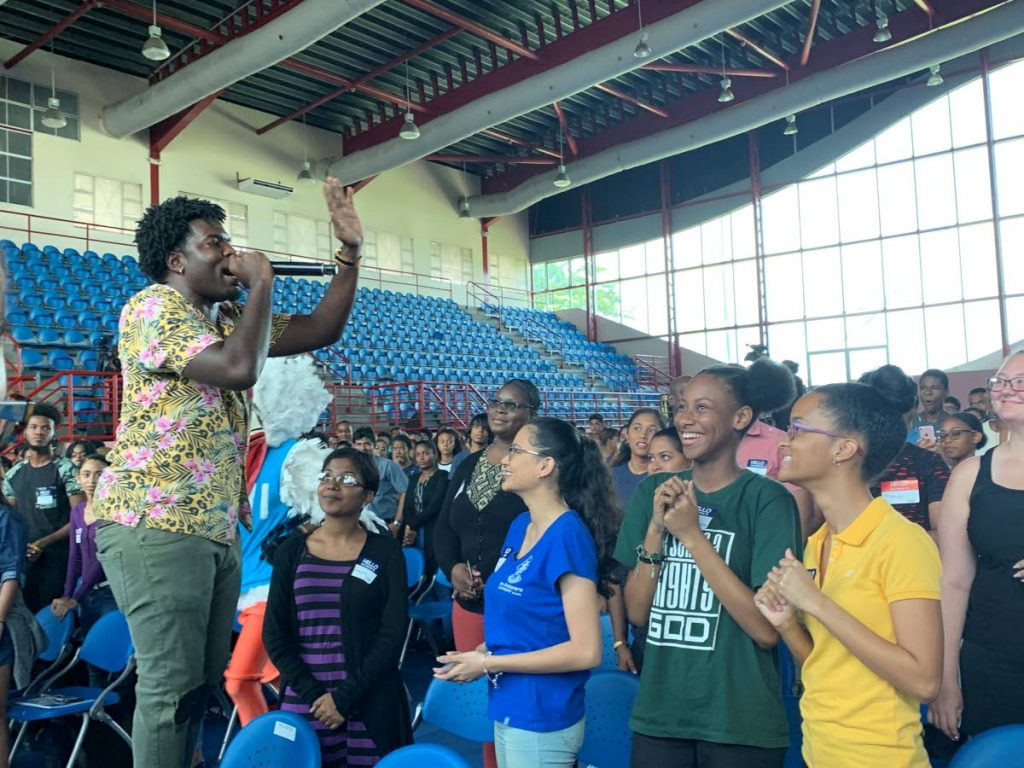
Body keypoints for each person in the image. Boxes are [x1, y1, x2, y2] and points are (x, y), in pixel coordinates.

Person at [93, 180, 362, 768]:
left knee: (199, 684)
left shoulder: (228, 317)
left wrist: (349, 254)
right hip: (155, 518)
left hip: (210, 524)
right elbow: (240, 369)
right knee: (171, 687)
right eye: (215, 243)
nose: (229, 253)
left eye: (229, 241)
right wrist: (262, 280)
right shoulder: (153, 308)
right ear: (177, 261)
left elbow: (323, 328)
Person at [754, 365, 942, 767]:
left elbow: (924, 681)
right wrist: (787, 623)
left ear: (844, 449)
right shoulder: (818, 542)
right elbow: (826, 665)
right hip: (821, 752)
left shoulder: (901, 542)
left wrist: (818, 604)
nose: (784, 443)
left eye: (799, 430)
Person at [615, 360, 801, 767]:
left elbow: (767, 631)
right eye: (682, 407)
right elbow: (638, 613)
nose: (685, 419)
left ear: (740, 417)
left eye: (702, 408)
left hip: (739, 722)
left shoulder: (768, 501)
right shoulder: (652, 492)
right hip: (661, 716)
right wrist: (653, 531)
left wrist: (692, 536)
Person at [435, 418, 617, 768]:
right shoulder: (521, 526)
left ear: (545, 466)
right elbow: (531, 623)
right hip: (509, 704)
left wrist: (488, 663)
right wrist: (481, 652)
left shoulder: (567, 536)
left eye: (516, 451)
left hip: (541, 715)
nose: (505, 459)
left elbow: (586, 651)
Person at [264, 448, 412, 764]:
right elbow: (275, 634)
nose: (333, 485)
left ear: (368, 496)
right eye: (327, 476)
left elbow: (392, 635)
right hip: (307, 700)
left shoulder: (386, 553)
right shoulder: (292, 550)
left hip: (369, 699)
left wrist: (344, 698)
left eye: (346, 479)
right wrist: (316, 696)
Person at [433, 379, 539, 768]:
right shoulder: (469, 464)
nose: (499, 408)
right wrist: (453, 568)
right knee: (485, 710)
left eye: (512, 404)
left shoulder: (538, 465)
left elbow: (546, 531)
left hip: (519, 609)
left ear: (533, 413)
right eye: (496, 401)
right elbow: (444, 526)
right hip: (470, 607)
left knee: (521, 706)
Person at [929, 353, 1024, 750]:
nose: (1006, 389)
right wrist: (946, 679)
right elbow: (953, 582)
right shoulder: (970, 474)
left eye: (1020, 381)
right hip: (993, 654)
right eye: (1001, 381)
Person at [2, 404, 83, 612]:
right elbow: (9, 519)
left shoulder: (66, 469)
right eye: (34, 427)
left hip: (60, 556)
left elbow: (79, 518)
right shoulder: (14, 474)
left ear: (54, 432)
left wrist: (44, 542)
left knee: (55, 615)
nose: (39, 432)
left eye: (46, 428)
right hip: (25, 557)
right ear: (25, 432)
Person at [869, 369, 949, 540]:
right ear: (914, 407)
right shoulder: (930, 461)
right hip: (917, 556)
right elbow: (943, 533)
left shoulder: (846, 462)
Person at [50, 454, 117, 635]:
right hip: (87, 593)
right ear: (78, 479)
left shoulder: (114, 513)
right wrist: (67, 594)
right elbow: (75, 558)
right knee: (88, 647)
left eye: (99, 474)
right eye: (86, 474)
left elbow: (100, 561)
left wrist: (75, 598)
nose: (92, 480)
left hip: (111, 592)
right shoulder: (78, 512)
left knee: (107, 650)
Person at [396, 440, 449, 580]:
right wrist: (410, 526)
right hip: (413, 530)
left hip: (432, 529)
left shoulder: (443, 477)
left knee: (431, 568)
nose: (421, 457)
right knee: (414, 569)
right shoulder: (413, 478)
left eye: (425, 453)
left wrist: (412, 525)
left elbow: (435, 506)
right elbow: (407, 506)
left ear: (434, 454)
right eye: (418, 454)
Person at [352, 427, 408, 525]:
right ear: (353, 446)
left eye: (367, 444)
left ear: (374, 445)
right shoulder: (349, 467)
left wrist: (397, 523)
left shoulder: (388, 465)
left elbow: (405, 492)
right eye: (359, 444)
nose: (363, 448)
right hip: (357, 522)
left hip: (385, 522)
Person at [610, 408, 666, 506]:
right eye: (637, 428)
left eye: (652, 430)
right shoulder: (609, 476)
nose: (643, 435)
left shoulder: (666, 479)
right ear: (627, 435)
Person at [910, 369, 949, 440]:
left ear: (946, 392)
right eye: (923, 388)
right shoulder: (911, 423)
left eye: (934, 388)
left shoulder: (954, 423)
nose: (928, 392)